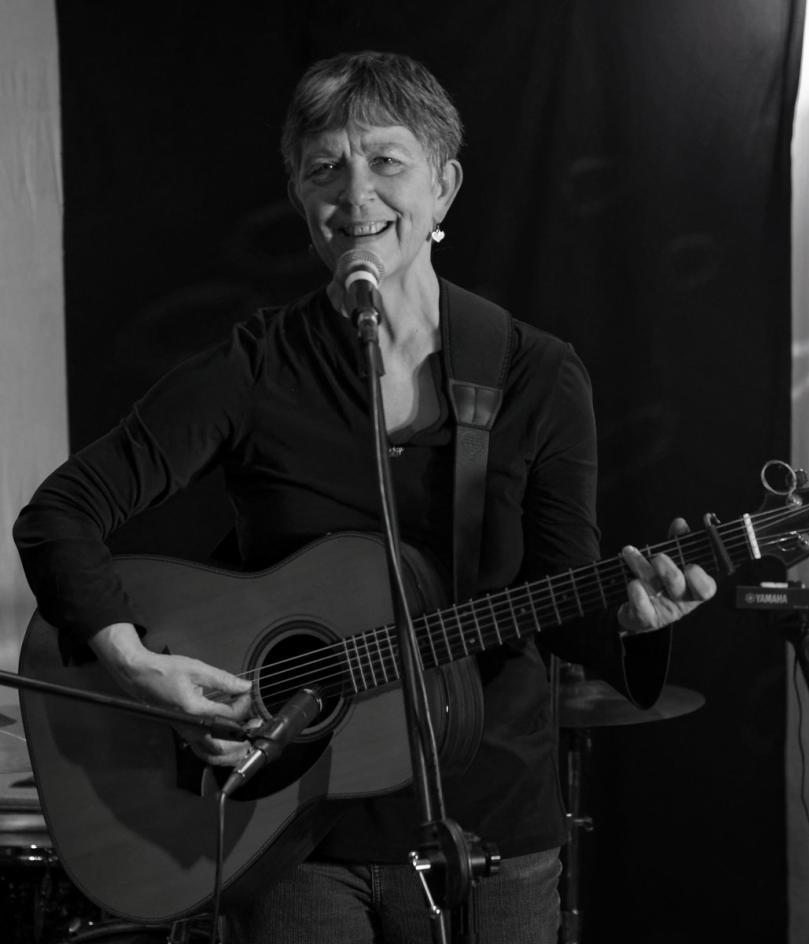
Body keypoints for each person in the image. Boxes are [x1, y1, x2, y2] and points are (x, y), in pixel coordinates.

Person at [13, 50, 716, 944]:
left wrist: (632, 617)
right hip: (292, 831)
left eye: (386, 160)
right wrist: (135, 666)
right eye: (325, 168)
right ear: (303, 201)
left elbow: (561, 588)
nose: (356, 194)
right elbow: (60, 513)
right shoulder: (254, 368)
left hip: (487, 824)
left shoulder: (535, 373)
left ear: (445, 188)